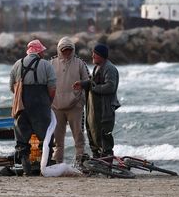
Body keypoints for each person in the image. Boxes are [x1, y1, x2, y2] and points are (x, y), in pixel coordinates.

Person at [9, 38, 57, 175]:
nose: (43, 53)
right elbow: (52, 87)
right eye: (42, 51)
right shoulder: (46, 65)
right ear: (39, 51)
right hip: (41, 105)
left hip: (22, 106)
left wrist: (20, 98)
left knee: (22, 140)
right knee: (46, 138)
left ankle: (26, 170)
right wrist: (48, 102)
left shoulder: (17, 64)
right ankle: (45, 168)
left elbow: (12, 86)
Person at [73, 43, 120, 158]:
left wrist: (93, 89)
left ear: (102, 55)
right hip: (94, 109)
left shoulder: (110, 68)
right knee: (93, 134)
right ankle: (97, 160)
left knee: (104, 136)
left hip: (105, 110)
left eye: (95, 54)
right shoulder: (97, 67)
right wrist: (83, 84)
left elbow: (110, 86)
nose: (92, 56)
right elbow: (93, 82)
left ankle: (107, 163)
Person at [50, 37, 90, 166]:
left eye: (69, 50)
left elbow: (89, 81)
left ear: (73, 50)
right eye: (64, 50)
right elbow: (45, 83)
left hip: (75, 106)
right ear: (59, 50)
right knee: (57, 139)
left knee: (78, 136)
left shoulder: (80, 63)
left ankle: (79, 161)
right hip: (56, 106)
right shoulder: (51, 63)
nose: (67, 52)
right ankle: (57, 162)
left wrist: (81, 99)